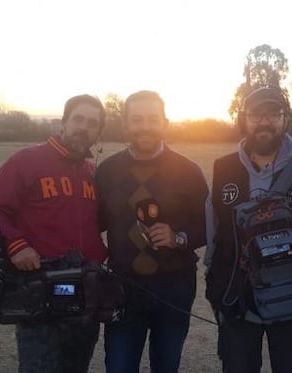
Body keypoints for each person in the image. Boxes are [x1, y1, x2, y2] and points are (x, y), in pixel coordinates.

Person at [0, 94, 109, 373]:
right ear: (63, 123)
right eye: (78, 119)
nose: (84, 127)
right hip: (41, 289)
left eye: (92, 123)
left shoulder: (92, 173)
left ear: (98, 132)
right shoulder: (27, 161)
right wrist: (16, 244)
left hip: (85, 292)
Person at [204, 86, 292, 373]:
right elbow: (214, 226)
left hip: (291, 296)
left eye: (274, 114)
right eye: (257, 114)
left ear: (286, 120)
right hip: (237, 299)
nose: (265, 121)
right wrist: (213, 280)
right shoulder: (223, 168)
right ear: (243, 119)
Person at [94, 90, 208, 373]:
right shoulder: (106, 171)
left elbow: (209, 225)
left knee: (166, 366)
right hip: (123, 287)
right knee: (119, 366)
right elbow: (93, 224)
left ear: (165, 123)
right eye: (137, 119)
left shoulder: (188, 171)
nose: (145, 126)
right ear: (125, 125)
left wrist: (179, 237)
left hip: (174, 287)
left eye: (152, 119)